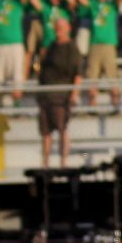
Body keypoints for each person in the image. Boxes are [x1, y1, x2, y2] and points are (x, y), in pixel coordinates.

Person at [36, 16, 82, 168]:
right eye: (57, 27)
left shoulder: (72, 48)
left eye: (61, 27)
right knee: (46, 132)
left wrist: (74, 94)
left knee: (62, 128)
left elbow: (78, 73)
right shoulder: (51, 47)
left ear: (68, 28)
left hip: (61, 95)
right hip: (46, 95)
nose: (58, 30)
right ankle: (45, 162)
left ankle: (64, 161)